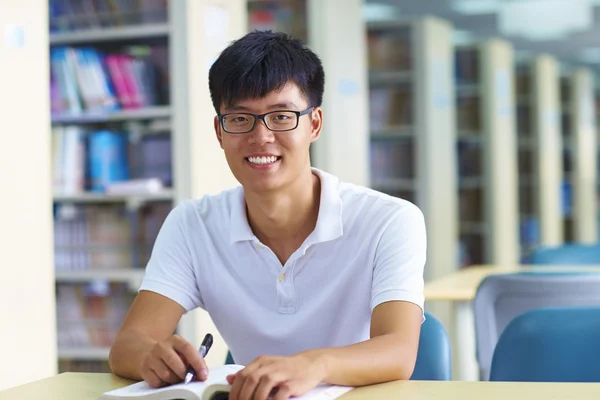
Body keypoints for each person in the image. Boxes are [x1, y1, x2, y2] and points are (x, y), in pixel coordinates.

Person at [108, 30, 426, 400]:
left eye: (281, 116)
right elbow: (127, 345)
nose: (261, 137)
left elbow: (399, 350)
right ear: (219, 131)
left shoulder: (390, 221)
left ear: (315, 124)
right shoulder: (191, 224)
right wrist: (153, 356)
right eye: (241, 119)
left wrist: (311, 365)